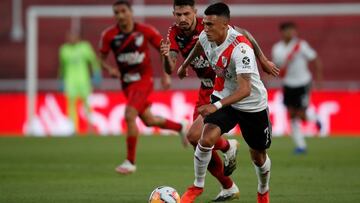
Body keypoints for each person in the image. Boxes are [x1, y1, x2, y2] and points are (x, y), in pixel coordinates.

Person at [161, 0, 278, 202]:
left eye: (210, 25)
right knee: (201, 138)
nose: (205, 29)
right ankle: (197, 186)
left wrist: (263, 60)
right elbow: (199, 45)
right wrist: (183, 66)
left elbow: (245, 89)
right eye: (204, 24)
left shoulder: (241, 49)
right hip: (223, 93)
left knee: (258, 157)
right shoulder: (205, 36)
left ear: (225, 26)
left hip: (250, 103)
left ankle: (263, 190)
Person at [99, 0, 186, 175]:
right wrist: (110, 69)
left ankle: (130, 161)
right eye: (117, 12)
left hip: (144, 80)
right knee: (149, 120)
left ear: (131, 12)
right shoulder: (109, 35)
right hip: (127, 84)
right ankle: (180, 127)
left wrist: (166, 75)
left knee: (129, 114)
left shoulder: (145, 31)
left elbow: (164, 50)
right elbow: (100, 58)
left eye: (123, 11)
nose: (120, 15)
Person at [271, 22, 322, 154]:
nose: (290, 33)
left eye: (292, 30)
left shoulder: (301, 45)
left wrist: (319, 79)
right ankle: (301, 146)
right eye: (287, 31)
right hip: (288, 84)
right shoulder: (277, 49)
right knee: (292, 115)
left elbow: (315, 59)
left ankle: (315, 118)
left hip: (303, 83)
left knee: (301, 115)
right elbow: (275, 67)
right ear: (282, 32)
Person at [59, 31, 101, 134]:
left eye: (73, 36)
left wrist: (96, 73)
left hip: (84, 81)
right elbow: (62, 67)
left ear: (78, 37)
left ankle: (90, 127)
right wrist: (61, 80)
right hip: (70, 82)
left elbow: (93, 61)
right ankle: (73, 128)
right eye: (69, 37)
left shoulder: (84, 47)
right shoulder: (64, 50)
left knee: (87, 104)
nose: (71, 39)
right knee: (71, 105)